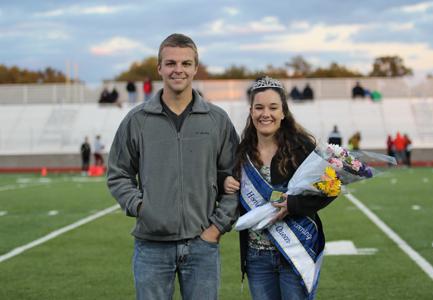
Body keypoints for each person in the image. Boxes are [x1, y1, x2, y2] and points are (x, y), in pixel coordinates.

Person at [107, 33, 239, 300]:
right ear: (159, 68)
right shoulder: (137, 120)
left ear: (195, 68)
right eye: (170, 63)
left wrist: (216, 229)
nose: (178, 70)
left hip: (202, 244)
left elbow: (236, 178)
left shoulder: (217, 120)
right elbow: (118, 174)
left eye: (185, 63)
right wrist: (141, 207)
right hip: (151, 246)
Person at [222, 76, 335, 299]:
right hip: (257, 258)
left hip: (295, 253)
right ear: (251, 111)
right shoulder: (241, 152)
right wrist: (223, 181)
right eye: (259, 108)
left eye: (273, 107)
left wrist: (294, 204)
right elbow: (227, 186)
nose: (266, 114)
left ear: (283, 111)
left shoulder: (302, 147)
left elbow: (331, 188)